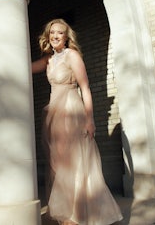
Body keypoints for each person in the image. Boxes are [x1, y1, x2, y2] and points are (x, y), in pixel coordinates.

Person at [32, 18, 123, 225]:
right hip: (54, 115)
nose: (56, 36)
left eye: (60, 33)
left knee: (74, 162)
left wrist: (90, 120)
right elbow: (25, 68)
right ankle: (69, 212)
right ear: (48, 35)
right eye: (52, 32)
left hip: (72, 112)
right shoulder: (48, 60)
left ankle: (75, 216)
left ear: (66, 37)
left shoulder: (72, 56)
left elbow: (85, 88)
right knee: (59, 163)